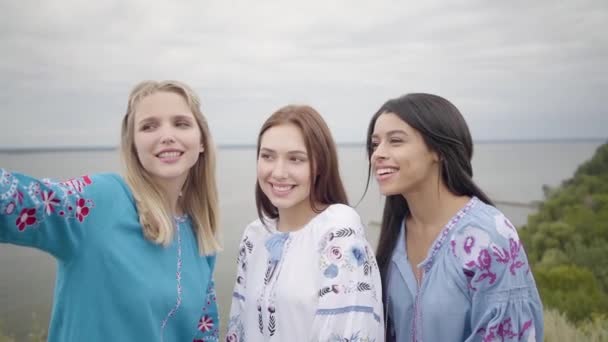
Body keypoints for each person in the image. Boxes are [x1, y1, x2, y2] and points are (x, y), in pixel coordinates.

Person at [0, 80, 221, 341]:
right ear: (133, 145)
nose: (167, 135)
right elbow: (17, 200)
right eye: (149, 126)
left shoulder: (199, 237)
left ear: (202, 141)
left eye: (181, 123)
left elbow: (203, 333)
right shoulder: (100, 200)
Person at [366, 93, 544, 341]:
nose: (378, 154)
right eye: (375, 144)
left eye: (395, 141)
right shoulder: (395, 235)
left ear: (438, 151)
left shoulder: (490, 236)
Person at [226, 105, 384, 341]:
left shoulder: (337, 229)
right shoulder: (255, 235)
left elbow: (348, 330)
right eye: (267, 156)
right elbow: (238, 324)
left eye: (296, 159)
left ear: (319, 165)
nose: (278, 172)